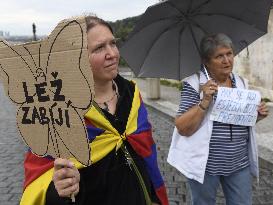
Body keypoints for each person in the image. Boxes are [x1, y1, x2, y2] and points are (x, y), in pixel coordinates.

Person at [20, 15, 168, 205]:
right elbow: (37, 178)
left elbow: (147, 153)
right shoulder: (57, 112)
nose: (112, 53)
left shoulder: (131, 94)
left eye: (113, 44)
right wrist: (57, 189)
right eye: (99, 48)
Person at [167, 33, 269, 205]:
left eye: (229, 54)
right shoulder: (194, 85)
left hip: (238, 164)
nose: (226, 60)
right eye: (219, 56)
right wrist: (204, 101)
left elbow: (241, 120)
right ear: (206, 61)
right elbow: (182, 128)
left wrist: (256, 116)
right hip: (206, 166)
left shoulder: (241, 83)